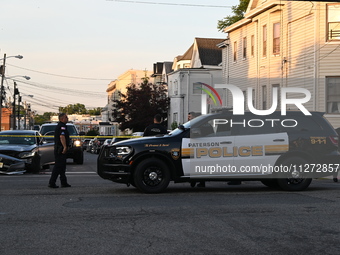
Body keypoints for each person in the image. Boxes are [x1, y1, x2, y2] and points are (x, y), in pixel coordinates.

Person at [48, 113, 71, 188]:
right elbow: (62, 137)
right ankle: (52, 182)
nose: (67, 118)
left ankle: (63, 182)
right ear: (62, 118)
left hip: (59, 148)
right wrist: (64, 147)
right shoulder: (62, 126)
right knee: (58, 166)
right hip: (60, 149)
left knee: (62, 167)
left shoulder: (61, 126)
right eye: (66, 117)